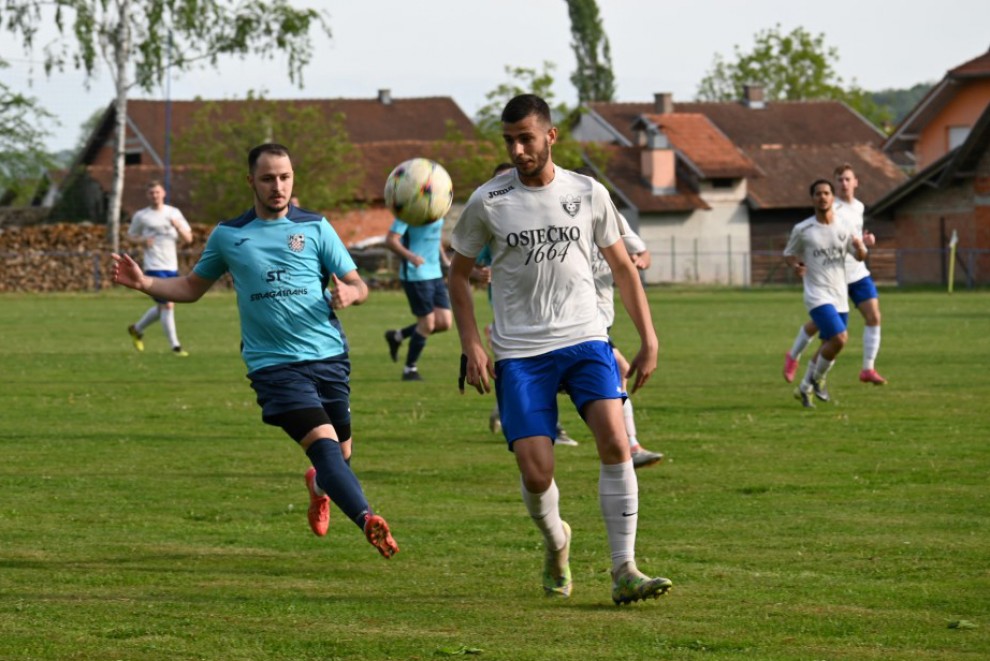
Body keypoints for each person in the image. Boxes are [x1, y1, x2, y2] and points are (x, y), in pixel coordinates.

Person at [111, 143, 398, 559]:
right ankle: (368, 519)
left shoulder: (316, 227)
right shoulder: (229, 235)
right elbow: (191, 287)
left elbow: (359, 284)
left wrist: (351, 294)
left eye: (284, 177)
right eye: (267, 179)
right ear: (251, 182)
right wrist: (144, 284)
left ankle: (319, 486)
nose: (277, 186)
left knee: (341, 455)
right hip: (274, 366)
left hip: (328, 356)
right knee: (324, 446)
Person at [448, 94, 671, 605]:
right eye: (509, 141)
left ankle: (624, 569)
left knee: (615, 442)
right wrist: (472, 344)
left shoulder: (588, 192)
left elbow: (623, 267)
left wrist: (649, 338)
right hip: (520, 353)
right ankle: (556, 542)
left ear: (551, 136)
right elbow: (457, 276)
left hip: (585, 337)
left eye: (526, 138)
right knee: (536, 471)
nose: (517, 150)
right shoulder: (488, 201)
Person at [479, 162, 579, 446]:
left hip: (551, 310)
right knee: (539, 369)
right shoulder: (489, 224)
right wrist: (479, 273)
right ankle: (552, 428)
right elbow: (467, 265)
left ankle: (506, 409)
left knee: (543, 368)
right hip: (510, 313)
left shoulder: (539, 215)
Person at [575, 166, 663, 469]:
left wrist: (639, 261)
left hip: (602, 317)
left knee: (617, 373)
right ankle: (630, 445)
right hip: (581, 320)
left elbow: (643, 252)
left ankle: (509, 404)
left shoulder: (612, 219)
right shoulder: (565, 224)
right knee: (621, 370)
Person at [783, 164, 886, 385]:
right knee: (825, 328)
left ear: (856, 182)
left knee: (874, 316)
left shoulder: (859, 207)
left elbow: (851, 238)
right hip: (832, 277)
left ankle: (868, 368)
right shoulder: (832, 207)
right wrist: (800, 263)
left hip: (856, 272)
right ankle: (794, 358)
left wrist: (864, 242)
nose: (844, 184)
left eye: (848, 179)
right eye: (839, 180)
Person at [125, 180, 194, 356]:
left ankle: (136, 329)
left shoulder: (173, 213)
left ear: (163, 193)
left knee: (163, 306)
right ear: (147, 195)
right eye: (151, 193)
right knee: (168, 305)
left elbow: (188, 239)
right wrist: (142, 241)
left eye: (157, 192)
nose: (154, 195)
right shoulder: (142, 216)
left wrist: (177, 226)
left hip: (171, 266)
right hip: (153, 266)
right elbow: (130, 236)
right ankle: (175, 346)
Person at [383, 212, 452, 381]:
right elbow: (391, 240)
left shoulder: (437, 210)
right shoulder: (409, 212)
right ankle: (409, 370)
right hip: (416, 274)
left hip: (435, 273)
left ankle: (397, 336)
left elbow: (435, 238)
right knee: (427, 324)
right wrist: (411, 256)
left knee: (444, 323)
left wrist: (445, 260)